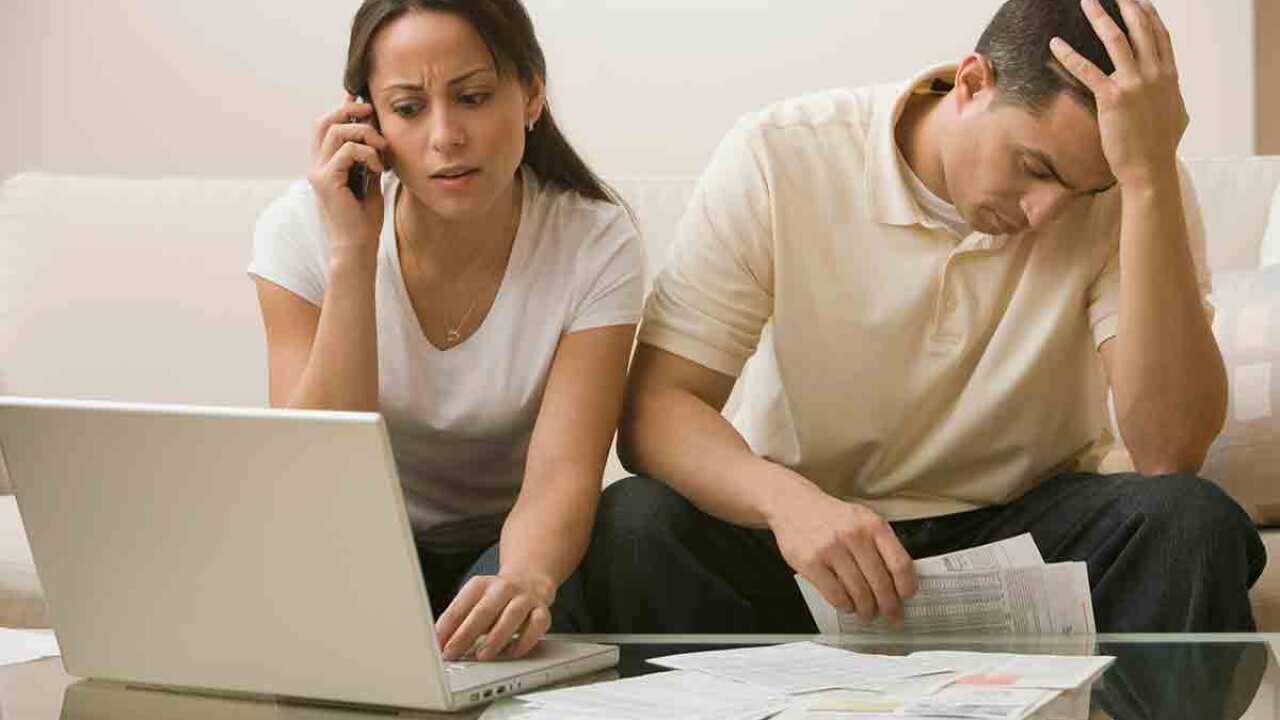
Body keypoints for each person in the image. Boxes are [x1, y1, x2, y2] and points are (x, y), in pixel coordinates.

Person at [587, 0, 1264, 633]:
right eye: (1035, 168)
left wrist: (1147, 181)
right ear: (972, 83)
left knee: (1190, 523)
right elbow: (657, 409)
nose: (1045, 214)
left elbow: (1169, 452)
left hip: (1025, 529)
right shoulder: (781, 153)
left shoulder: (1136, 188)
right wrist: (786, 504)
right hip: (810, 536)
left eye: (1083, 191)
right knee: (635, 523)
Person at [248, 0, 643, 661]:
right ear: (365, 119)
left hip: (510, 546)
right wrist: (351, 254)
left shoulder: (593, 242)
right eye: (407, 108)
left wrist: (523, 579)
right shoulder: (299, 231)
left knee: (623, 536)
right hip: (356, 548)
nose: (445, 135)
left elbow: (563, 475)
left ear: (532, 94)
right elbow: (314, 477)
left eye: (474, 97)